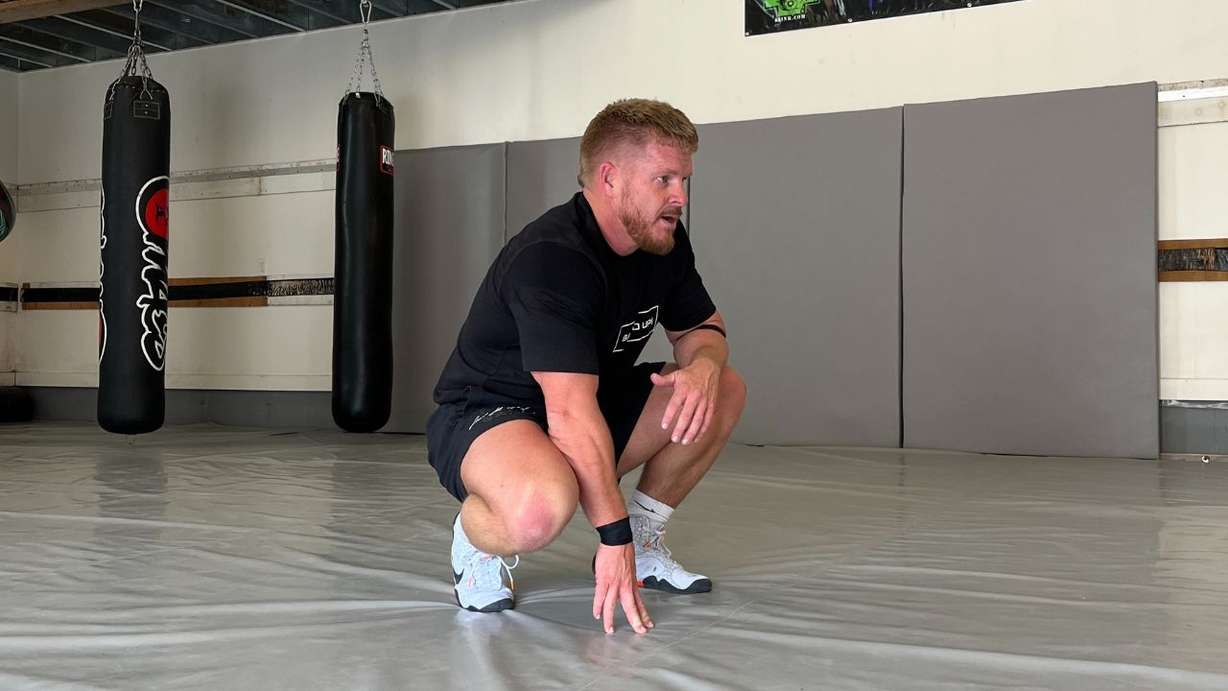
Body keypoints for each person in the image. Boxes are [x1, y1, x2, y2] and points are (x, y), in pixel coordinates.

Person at [425, 98, 746, 634]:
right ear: (610, 178)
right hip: (489, 411)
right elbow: (569, 415)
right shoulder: (553, 257)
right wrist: (609, 537)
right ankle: (476, 537)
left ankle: (647, 542)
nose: (680, 197)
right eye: (664, 179)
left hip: (583, 401)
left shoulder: (661, 238)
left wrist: (703, 367)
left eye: (684, 179)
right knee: (537, 508)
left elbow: (702, 329)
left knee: (724, 389)